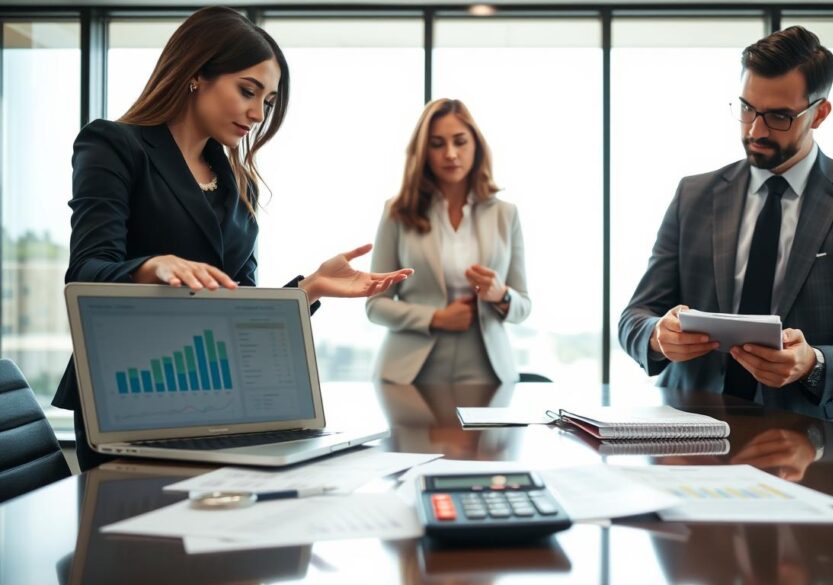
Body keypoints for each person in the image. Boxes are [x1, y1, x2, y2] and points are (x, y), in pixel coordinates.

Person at [52, 6, 412, 470]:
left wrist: (311, 288)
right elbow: (86, 270)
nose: (258, 113)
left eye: (268, 100)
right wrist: (152, 267)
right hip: (130, 399)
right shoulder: (114, 146)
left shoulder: (238, 184)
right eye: (248, 91)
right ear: (196, 74)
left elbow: (238, 307)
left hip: (219, 404)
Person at [619, 26, 833, 431]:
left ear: (820, 113)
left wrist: (814, 363)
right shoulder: (694, 195)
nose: (755, 131)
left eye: (778, 116)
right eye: (746, 108)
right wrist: (657, 335)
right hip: (689, 433)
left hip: (816, 442)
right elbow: (635, 316)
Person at [367, 98, 530, 385]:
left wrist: (501, 295)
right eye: (437, 144)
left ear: (476, 145)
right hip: (409, 373)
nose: (451, 153)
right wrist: (437, 317)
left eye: (460, 141)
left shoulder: (506, 214)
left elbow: (523, 306)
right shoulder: (397, 212)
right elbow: (376, 305)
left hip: (486, 371)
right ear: (424, 151)